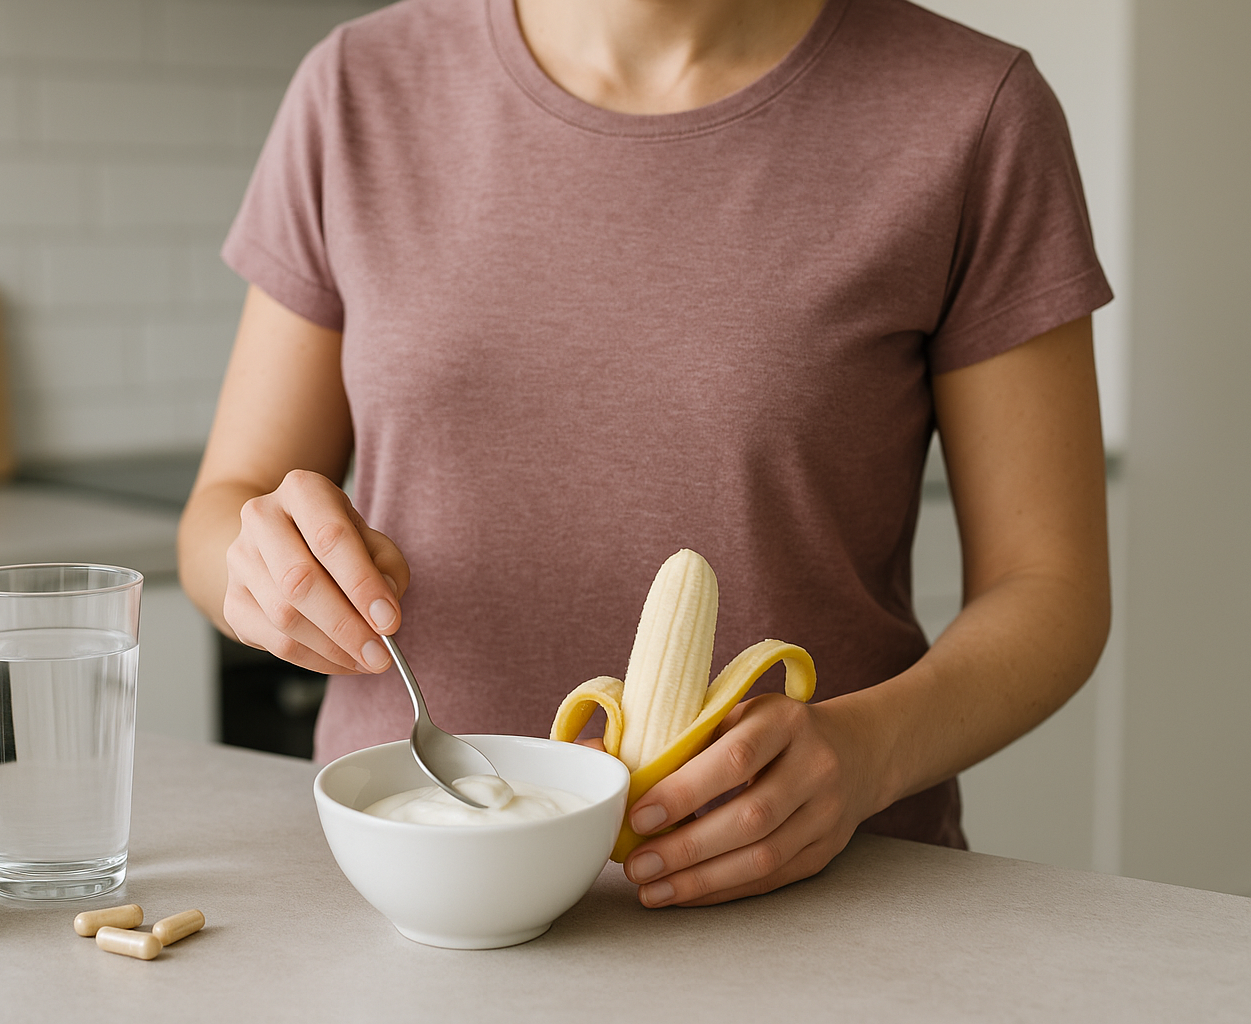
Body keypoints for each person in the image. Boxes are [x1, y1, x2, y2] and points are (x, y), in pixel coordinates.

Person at [178, 0, 1113, 909]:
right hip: (413, 889)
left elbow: (1050, 587)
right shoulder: (357, 87)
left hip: (815, 903)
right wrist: (263, 572)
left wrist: (870, 753)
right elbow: (225, 509)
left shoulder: (971, 110)